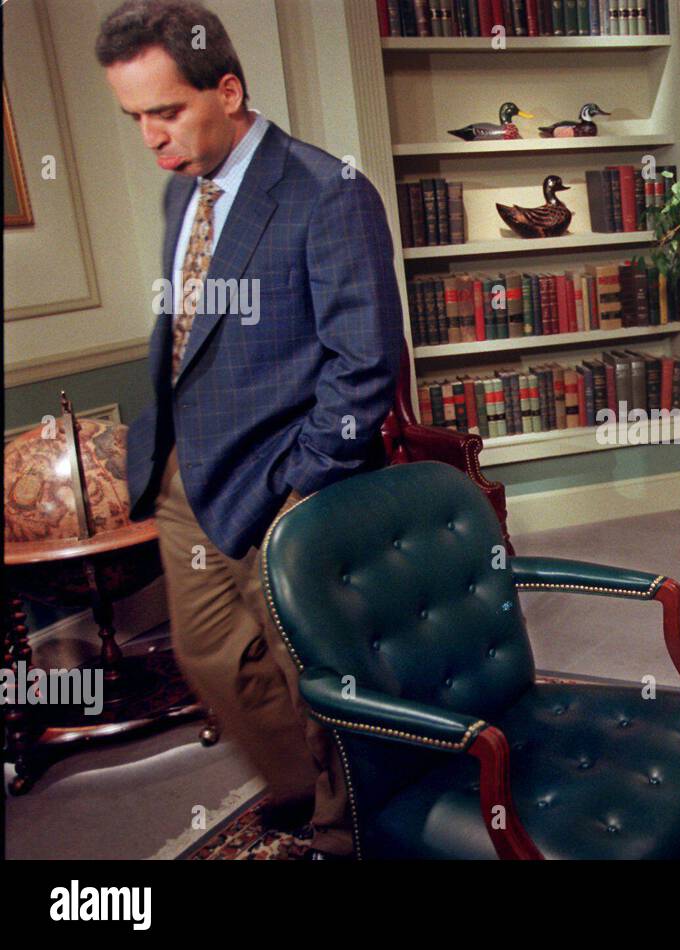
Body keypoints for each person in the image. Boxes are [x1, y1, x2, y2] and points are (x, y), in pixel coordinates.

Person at [97, 0, 404, 858]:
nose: (151, 137)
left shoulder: (326, 192)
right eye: (135, 118)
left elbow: (365, 362)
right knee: (213, 660)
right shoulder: (177, 196)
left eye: (166, 111)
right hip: (186, 478)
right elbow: (186, 336)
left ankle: (349, 831)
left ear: (227, 89)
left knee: (315, 676)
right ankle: (302, 789)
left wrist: (308, 478)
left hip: (282, 480)